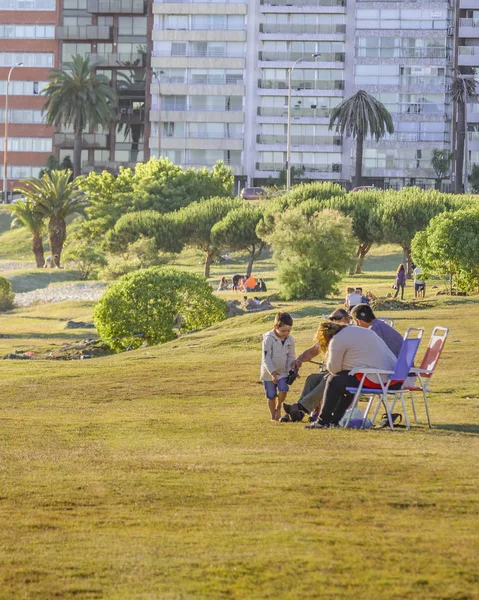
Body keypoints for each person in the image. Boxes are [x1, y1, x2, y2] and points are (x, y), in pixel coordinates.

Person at [284, 319, 398, 426]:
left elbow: (333, 369)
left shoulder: (337, 340)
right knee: (320, 379)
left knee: (333, 380)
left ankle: (323, 420)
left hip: (377, 378)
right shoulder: (356, 331)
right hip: (387, 374)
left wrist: (329, 356)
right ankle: (326, 418)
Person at [261, 312, 295, 421]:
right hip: (268, 372)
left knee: (283, 388)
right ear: (275, 327)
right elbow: (266, 358)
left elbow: (291, 356)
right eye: (283, 331)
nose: (286, 333)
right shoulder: (268, 339)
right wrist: (272, 372)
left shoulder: (290, 339)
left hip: (282, 371)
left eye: (289, 330)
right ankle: (273, 416)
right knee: (271, 395)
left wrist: (291, 369)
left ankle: (279, 406)